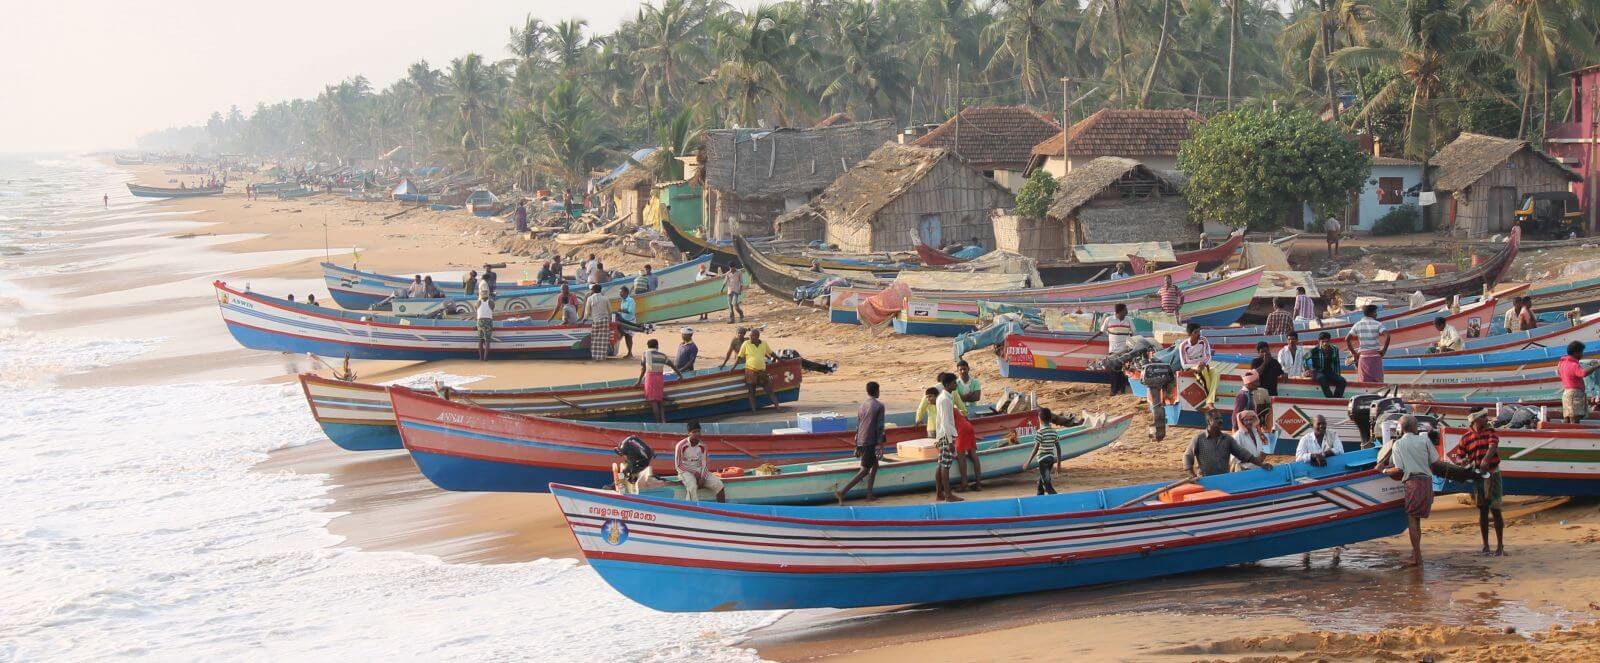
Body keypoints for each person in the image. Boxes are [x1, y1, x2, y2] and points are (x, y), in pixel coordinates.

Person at [1381, 415, 1437, 567]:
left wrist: (1385, 471)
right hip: (1427, 482)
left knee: (1412, 520)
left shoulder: (1398, 444)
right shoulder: (1425, 440)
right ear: (1414, 427)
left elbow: (1398, 468)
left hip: (1413, 483)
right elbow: (1435, 461)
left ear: (1401, 428)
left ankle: (1417, 557)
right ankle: (1416, 553)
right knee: (1417, 520)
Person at [1449, 409, 1504, 556]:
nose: (1487, 419)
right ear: (1475, 420)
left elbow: (1493, 446)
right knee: (1483, 510)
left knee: (1496, 509)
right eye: (1483, 417)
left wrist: (1485, 460)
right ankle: (1486, 545)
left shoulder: (1490, 431)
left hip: (1492, 473)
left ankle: (1500, 546)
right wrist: (1463, 461)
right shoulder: (1466, 438)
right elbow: (1459, 457)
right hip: (1478, 476)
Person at [836, 382, 886, 504]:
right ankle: (842, 492)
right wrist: (881, 446)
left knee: (875, 466)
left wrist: (856, 444)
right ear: (877, 391)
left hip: (861, 440)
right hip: (870, 441)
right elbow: (880, 427)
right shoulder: (879, 405)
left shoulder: (862, 406)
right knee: (864, 470)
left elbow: (858, 426)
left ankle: (869, 495)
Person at [1185, 411, 1272, 478]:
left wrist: (1261, 464)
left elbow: (1244, 455)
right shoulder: (1199, 438)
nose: (1220, 421)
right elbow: (1188, 455)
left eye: (1220, 418)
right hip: (1205, 478)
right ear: (1209, 421)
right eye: (1216, 419)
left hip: (1224, 478)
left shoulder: (1227, 439)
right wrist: (1191, 473)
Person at [951, 361, 983, 492]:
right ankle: (978, 483)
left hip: (963, 424)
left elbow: (977, 396)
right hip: (966, 423)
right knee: (972, 453)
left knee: (961, 454)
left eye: (964, 369)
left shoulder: (949, 394)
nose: (963, 371)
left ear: (968, 369)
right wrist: (968, 397)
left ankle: (965, 484)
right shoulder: (954, 388)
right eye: (960, 369)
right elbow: (971, 397)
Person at [674, 422, 725, 503]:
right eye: (694, 432)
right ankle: (692, 509)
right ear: (688, 433)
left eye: (698, 431)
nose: (697, 434)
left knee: (719, 485)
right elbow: (678, 465)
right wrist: (694, 473)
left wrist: (703, 477)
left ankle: (722, 509)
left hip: (700, 470)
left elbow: (705, 464)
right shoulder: (681, 445)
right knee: (692, 487)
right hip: (685, 471)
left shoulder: (703, 446)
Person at [637, 339, 683, 422]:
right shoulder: (662, 355)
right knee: (660, 400)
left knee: (653, 401)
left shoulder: (645, 354)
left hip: (650, 378)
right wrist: (680, 375)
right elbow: (672, 366)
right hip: (659, 378)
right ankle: (663, 421)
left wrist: (639, 381)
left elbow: (643, 369)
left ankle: (658, 423)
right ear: (657, 346)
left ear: (648, 346)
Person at [934, 373, 963, 502]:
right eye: (954, 383)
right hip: (946, 435)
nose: (956, 384)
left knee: (941, 464)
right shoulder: (944, 399)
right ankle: (947, 495)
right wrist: (950, 441)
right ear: (947, 385)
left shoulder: (945, 398)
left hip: (943, 434)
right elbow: (945, 422)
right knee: (945, 465)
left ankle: (940, 493)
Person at [1096, 303, 1134, 395]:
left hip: (1125, 350)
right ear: (1120, 311)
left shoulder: (1129, 320)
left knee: (1123, 372)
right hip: (1113, 350)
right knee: (1113, 372)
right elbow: (1102, 331)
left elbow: (1133, 333)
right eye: (1125, 310)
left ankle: (1122, 390)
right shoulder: (1109, 319)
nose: (1127, 312)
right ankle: (1114, 391)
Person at [736, 328, 778, 412]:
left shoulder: (764, 344)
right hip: (750, 371)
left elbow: (771, 353)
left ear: (757, 336)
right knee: (751, 392)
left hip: (762, 371)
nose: (750, 337)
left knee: (769, 390)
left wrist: (780, 360)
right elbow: (739, 357)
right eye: (750, 335)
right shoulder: (746, 343)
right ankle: (754, 411)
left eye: (752, 335)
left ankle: (778, 407)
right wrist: (733, 368)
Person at [1346, 304, 1390, 383]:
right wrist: (1384, 350)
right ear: (1372, 313)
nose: (1376, 314)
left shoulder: (1357, 324)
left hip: (1363, 357)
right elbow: (1388, 336)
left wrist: (1354, 353)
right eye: (1375, 312)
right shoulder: (1378, 324)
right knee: (1378, 381)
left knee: (1363, 382)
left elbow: (1347, 339)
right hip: (1376, 356)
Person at [1177, 322, 1216, 409]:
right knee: (1204, 371)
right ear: (1189, 334)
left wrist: (1204, 364)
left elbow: (1209, 356)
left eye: (1199, 331)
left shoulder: (1203, 340)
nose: (1199, 334)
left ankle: (1210, 400)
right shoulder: (1183, 346)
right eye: (1196, 332)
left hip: (1204, 365)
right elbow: (1184, 364)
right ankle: (1210, 402)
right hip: (1192, 367)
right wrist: (1199, 365)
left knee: (1216, 372)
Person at [1559, 340, 1599, 423]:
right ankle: (1575, 434)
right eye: (1581, 352)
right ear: (1576, 352)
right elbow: (1582, 373)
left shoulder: (1562, 363)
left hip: (1566, 393)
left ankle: (1566, 433)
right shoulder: (1573, 364)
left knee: (1568, 417)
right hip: (1575, 394)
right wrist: (1596, 366)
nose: (1582, 354)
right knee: (1575, 417)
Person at [1026, 407, 1062, 495]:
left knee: (1047, 485)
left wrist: (1028, 462)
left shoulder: (1040, 432)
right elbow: (1058, 448)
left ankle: (1058, 500)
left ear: (1039, 419)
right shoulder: (1054, 432)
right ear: (1050, 419)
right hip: (1050, 460)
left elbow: (1036, 448)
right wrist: (1058, 463)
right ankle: (1039, 498)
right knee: (1041, 483)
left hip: (1043, 460)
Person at [1307, 331, 1347, 397]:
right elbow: (1304, 359)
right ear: (1319, 341)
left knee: (1342, 381)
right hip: (1317, 371)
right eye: (1323, 341)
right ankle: (1330, 398)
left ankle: (1337, 399)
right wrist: (1307, 370)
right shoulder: (1314, 350)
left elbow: (1336, 363)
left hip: (1329, 371)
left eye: (1327, 341)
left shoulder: (1334, 349)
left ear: (1329, 341)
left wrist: (1338, 375)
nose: (1325, 343)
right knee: (1322, 378)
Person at [614, 286, 645, 358]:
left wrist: (621, 310)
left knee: (628, 337)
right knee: (624, 336)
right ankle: (628, 352)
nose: (620, 294)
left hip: (630, 321)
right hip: (623, 321)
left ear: (626, 292)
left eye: (621, 292)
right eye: (620, 292)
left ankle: (630, 352)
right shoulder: (622, 301)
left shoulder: (630, 300)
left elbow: (631, 311)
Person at [584, 284, 612, 360]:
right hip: (605, 321)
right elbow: (610, 311)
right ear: (600, 290)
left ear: (593, 290)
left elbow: (587, 312)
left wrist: (584, 319)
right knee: (603, 340)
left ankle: (596, 356)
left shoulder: (590, 299)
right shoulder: (605, 298)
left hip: (595, 321)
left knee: (595, 339)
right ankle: (602, 357)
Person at [475, 296, 494, 361]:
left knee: (480, 340)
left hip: (480, 321)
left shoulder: (478, 302)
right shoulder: (491, 302)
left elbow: (476, 309)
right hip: (488, 321)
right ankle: (485, 359)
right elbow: (492, 308)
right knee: (487, 340)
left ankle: (480, 358)